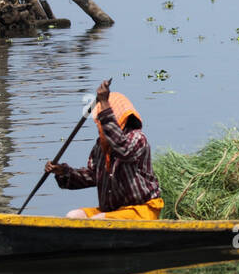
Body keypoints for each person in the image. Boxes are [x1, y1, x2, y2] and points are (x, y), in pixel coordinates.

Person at [45, 79, 164, 219]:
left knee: (98, 221)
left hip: (141, 211)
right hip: (113, 212)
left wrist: (105, 103)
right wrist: (63, 171)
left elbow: (123, 149)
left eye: (103, 119)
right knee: (73, 216)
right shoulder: (101, 146)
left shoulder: (137, 139)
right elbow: (92, 176)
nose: (100, 124)